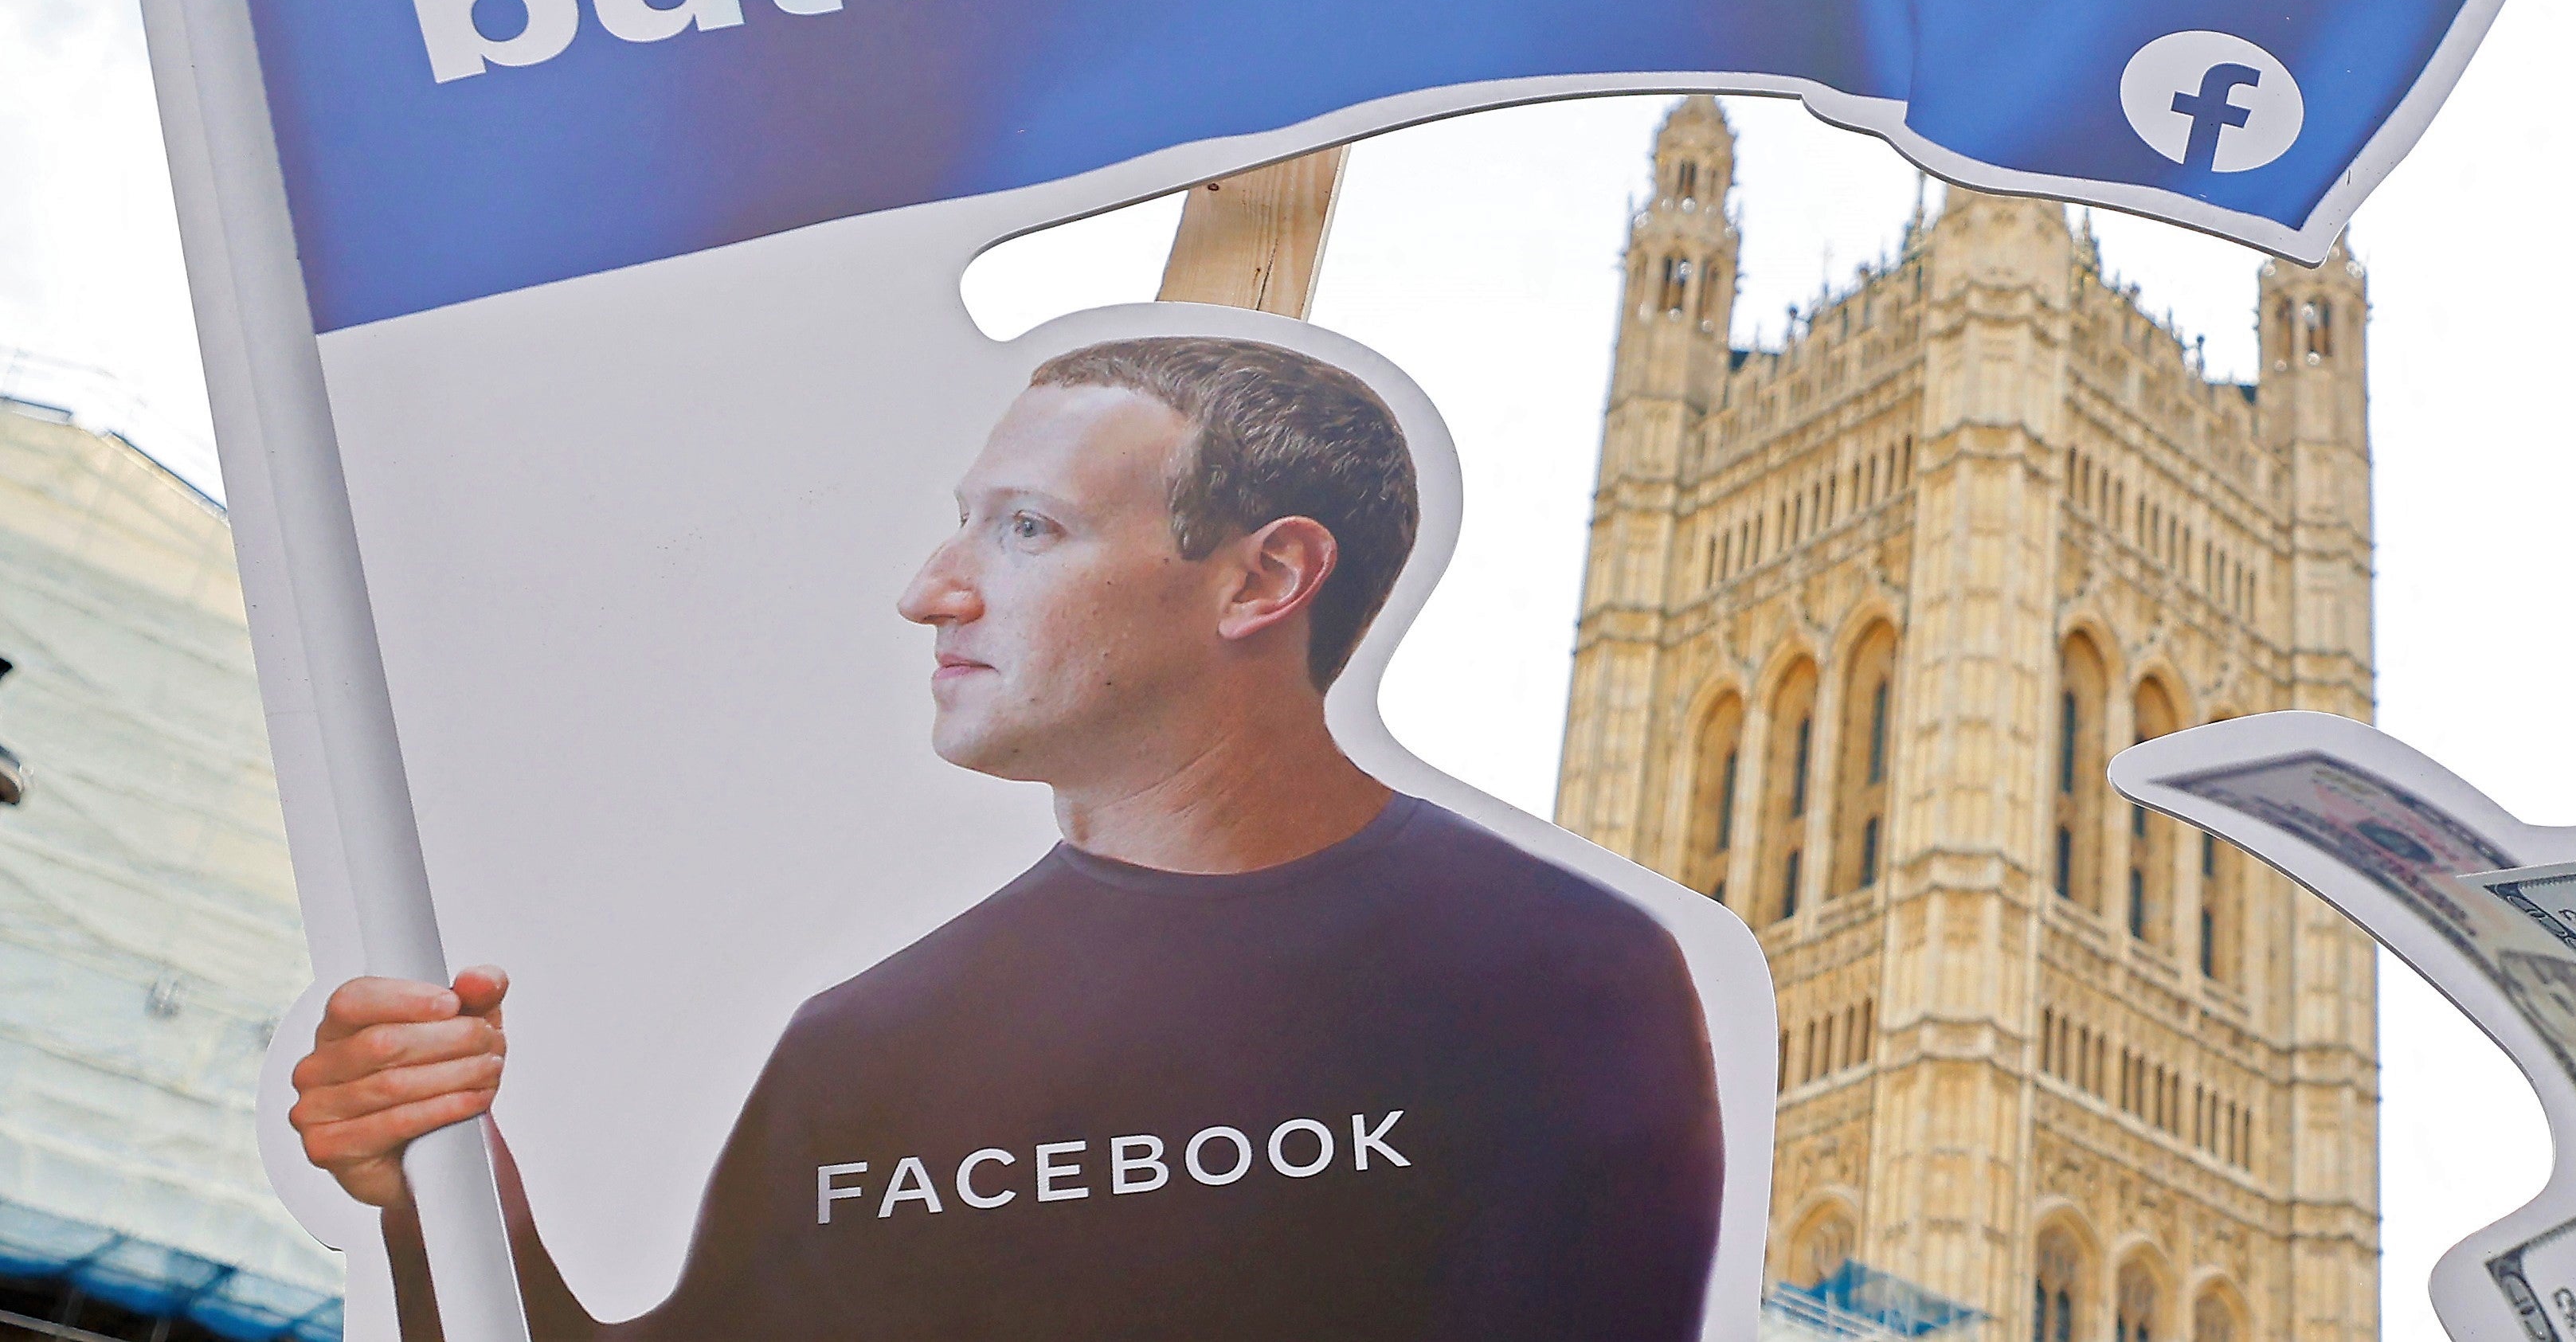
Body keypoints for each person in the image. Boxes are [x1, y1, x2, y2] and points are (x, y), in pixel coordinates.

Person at [291, 336, 1724, 1340]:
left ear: (1265, 579)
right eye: (958, 528)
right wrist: (461, 1221)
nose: (929, 592)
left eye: (1025, 530)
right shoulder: (867, 1037)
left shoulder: (1556, 976)